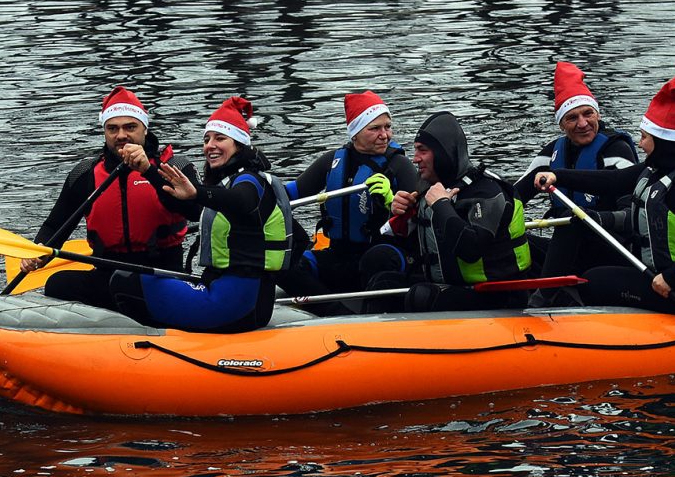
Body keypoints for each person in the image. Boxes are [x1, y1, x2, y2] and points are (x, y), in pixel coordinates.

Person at [534, 75, 675, 314]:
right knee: (586, 252)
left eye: (644, 137)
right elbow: (614, 181)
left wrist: (672, 277)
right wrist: (559, 176)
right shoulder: (658, 169)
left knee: (594, 283)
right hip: (664, 274)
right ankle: (546, 303)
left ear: (662, 141)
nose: (640, 145)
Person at [109, 97, 294, 333]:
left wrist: (197, 192)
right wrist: (148, 170)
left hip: (234, 304)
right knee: (143, 276)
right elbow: (183, 200)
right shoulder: (229, 182)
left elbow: (240, 201)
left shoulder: (249, 181)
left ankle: (156, 347)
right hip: (237, 296)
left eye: (220, 138)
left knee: (126, 281)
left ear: (239, 144)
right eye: (206, 140)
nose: (210, 145)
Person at [21, 86, 195, 309]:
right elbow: (56, 225)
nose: (121, 135)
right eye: (112, 128)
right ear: (105, 132)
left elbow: (195, 211)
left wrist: (148, 172)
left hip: (161, 275)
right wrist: (37, 254)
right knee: (56, 283)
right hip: (108, 275)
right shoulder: (84, 174)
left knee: (135, 291)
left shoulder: (174, 167)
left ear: (144, 128)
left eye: (130, 127)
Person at [375, 110, 533, 312]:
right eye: (415, 150)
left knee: (421, 295)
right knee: (383, 281)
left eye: (422, 150)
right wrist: (399, 213)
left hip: (498, 295)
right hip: (451, 286)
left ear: (443, 152)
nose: (415, 159)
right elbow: (415, 246)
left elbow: (471, 250)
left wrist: (441, 205)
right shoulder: (427, 188)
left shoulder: (488, 192)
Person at [280, 91, 420, 297]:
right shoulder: (332, 161)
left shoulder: (400, 165)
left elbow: (421, 216)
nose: (385, 135)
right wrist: (260, 185)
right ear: (354, 133)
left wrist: (392, 201)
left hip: (384, 253)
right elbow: (289, 194)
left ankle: (367, 313)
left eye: (388, 127)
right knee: (283, 267)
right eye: (375, 128)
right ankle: (332, 312)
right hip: (338, 252)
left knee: (376, 259)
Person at [514, 61, 638, 279]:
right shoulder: (551, 153)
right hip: (569, 248)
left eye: (588, 114)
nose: (583, 123)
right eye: (572, 118)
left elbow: (632, 215)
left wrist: (591, 218)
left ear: (597, 114)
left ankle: (544, 299)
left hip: (614, 248)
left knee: (572, 221)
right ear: (561, 124)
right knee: (514, 241)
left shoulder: (617, 150)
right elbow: (512, 198)